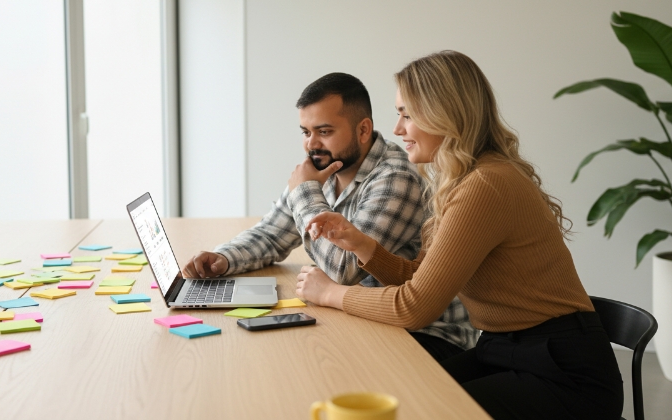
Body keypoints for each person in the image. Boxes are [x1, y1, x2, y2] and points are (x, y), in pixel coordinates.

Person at [296, 52, 624, 420]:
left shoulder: (486, 184)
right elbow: (419, 279)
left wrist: (331, 293)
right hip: (504, 350)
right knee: (399, 399)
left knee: (419, 410)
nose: (398, 128)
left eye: (407, 114)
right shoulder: (464, 179)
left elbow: (414, 307)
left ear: (445, 114)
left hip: (562, 373)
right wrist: (362, 245)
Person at [182, 72, 478, 361]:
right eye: (306, 132)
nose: (311, 144)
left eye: (324, 132)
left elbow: (344, 269)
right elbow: (271, 234)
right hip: (362, 318)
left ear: (363, 130)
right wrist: (223, 259)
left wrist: (305, 192)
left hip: (425, 334)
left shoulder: (396, 178)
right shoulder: (321, 168)